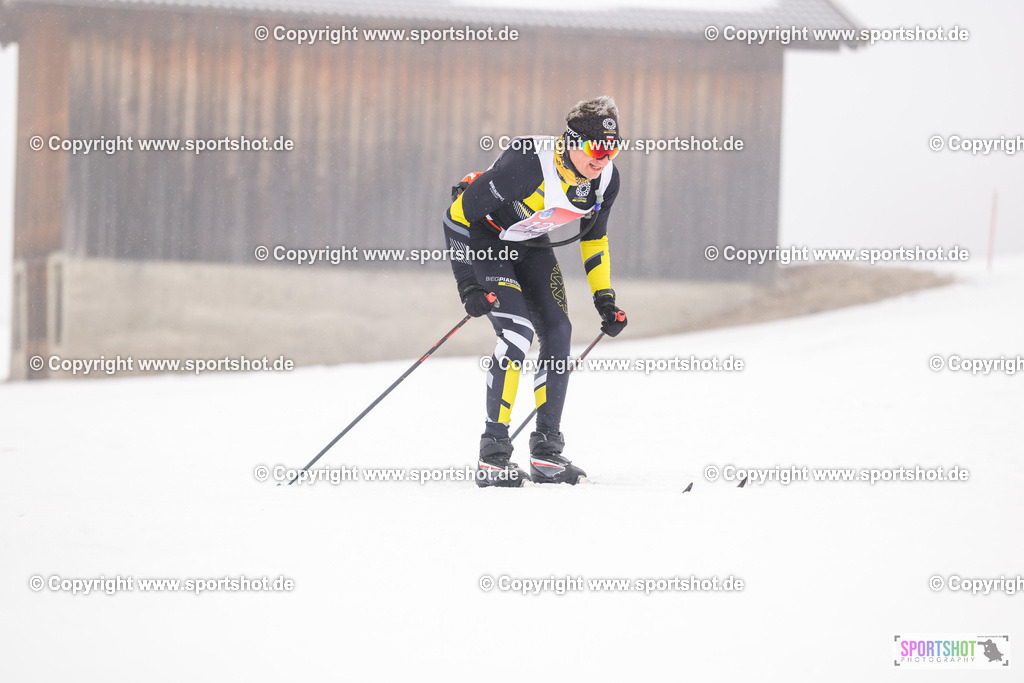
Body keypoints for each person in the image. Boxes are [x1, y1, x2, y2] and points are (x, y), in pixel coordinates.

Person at [443, 96, 627, 487]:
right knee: (516, 332)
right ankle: (493, 455)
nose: (604, 158)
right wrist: (468, 285)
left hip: (529, 243)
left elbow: (594, 240)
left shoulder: (606, 179)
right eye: (596, 148)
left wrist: (605, 299)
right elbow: (456, 214)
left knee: (560, 331)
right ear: (572, 142)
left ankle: (547, 454)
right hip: (485, 239)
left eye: (613, 148)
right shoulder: (529, 163)